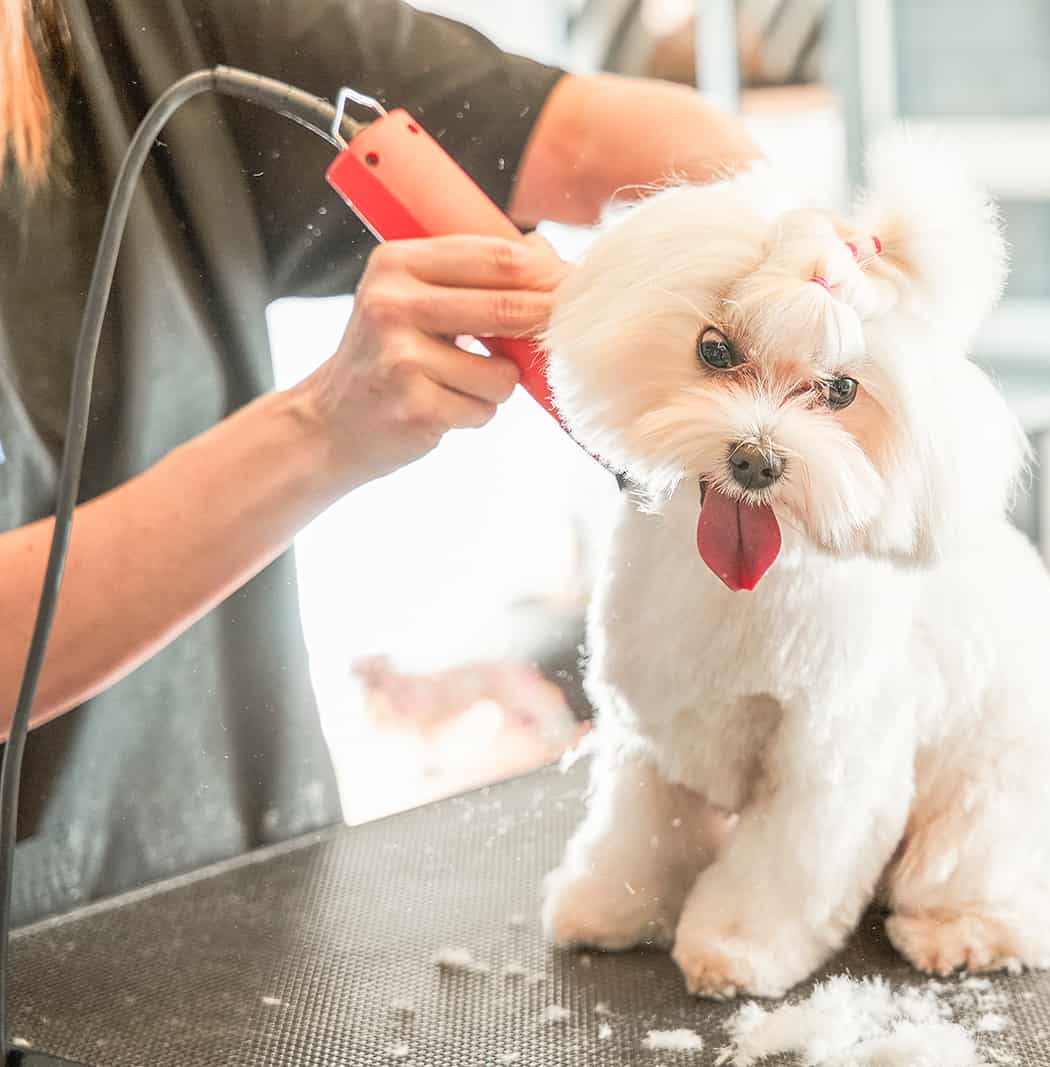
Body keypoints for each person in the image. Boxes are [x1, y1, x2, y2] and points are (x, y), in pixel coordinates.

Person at [0, 0, 759, 924]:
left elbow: (652, 147)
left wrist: (766, 297)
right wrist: (325, 428)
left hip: (240, 873)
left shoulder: (140, 24)